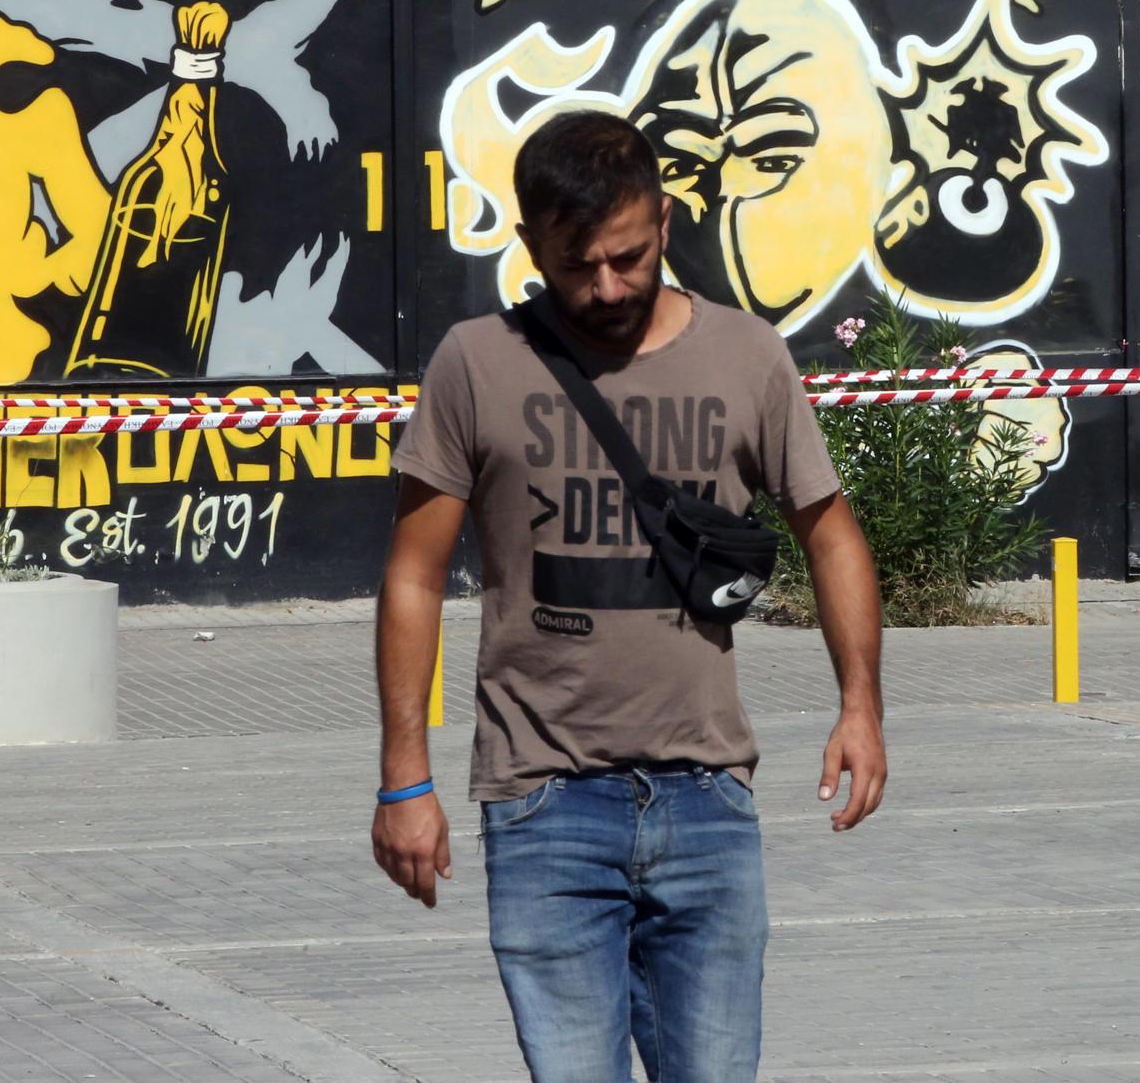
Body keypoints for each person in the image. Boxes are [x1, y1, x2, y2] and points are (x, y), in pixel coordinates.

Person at [370, 110, 886, 1083]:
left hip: (706, 802)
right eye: (577, 265)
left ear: (664, 216)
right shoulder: (475, 362)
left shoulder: (749, 357)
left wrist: (860, 705)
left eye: (629, 256)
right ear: (528, 243)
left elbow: (832, 533)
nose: (607, 286)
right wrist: (406, 776)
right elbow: (413, 571)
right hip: (542, 808)